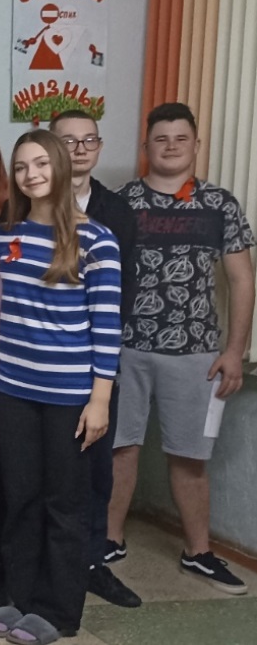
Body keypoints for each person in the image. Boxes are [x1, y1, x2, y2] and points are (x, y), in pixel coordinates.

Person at [108, 102, 254, 596]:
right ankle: (108, 541)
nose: (170, 147)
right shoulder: (121, 202)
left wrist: (234, 350)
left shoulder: (220, 204)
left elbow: (242, 280)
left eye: (180, 138)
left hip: (196, 353)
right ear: (146, 146)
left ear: (196, 145)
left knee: (190, 457)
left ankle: (198, 552)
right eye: (161, 139)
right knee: (118, 448)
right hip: (125, 347)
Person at [0, 129, 120, 644]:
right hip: (15, 389)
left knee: (65, 505)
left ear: (60, 166)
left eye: (40, 163)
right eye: (21, 166)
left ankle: (59, 611)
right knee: (21, 497)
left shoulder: (97, 239)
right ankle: (21, 597)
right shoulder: (7, 234)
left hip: (70, 397)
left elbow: (107, 327)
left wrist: (100, 399)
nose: (31, 174)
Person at [48, 110, 141, 608]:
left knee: (94, 468)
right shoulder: (30, 206)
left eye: (89, 140)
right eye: (69, 141)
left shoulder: (117, 211)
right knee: (35, 470)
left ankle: (89, 563)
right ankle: (30, 564)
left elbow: (121, 292)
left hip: (96, 363)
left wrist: (99, 365)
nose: (80, 149)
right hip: (40, 362)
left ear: (99, 147)